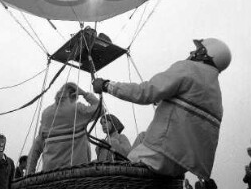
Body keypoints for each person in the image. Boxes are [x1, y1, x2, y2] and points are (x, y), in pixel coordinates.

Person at [93, 38, 231, 180]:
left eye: (197, 50)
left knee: (121, 177)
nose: (192, 52)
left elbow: (144, 92)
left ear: (204, 53)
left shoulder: (188, 68)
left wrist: (106, 85)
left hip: (160, 151)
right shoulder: (215, 93)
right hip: (183, 164)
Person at [27, 82, 103, 174]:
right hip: (76, 173)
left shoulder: (46, 113)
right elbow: (101, 109)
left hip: (49, 174)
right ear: (74, 95)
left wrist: (29, 173)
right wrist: (85, 94)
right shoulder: (77, 109)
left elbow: (36, 146)